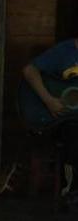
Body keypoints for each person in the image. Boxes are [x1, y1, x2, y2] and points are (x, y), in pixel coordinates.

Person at [22, 37, 78, 196]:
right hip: (61, 120)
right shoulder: (65, 50)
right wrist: (48, 100)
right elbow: (29, 70)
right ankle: (71, 191)